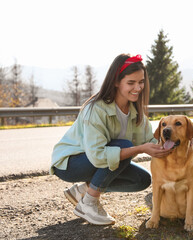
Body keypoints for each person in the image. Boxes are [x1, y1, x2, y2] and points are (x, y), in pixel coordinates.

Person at [50, 54, 172, 225]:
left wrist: (171, 144)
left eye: (141, 82)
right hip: (70, 164)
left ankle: (84, 190)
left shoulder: (135, 112)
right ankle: (88, 203)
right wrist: (139, 149)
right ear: (116, 81)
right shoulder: (95, 109)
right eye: (131, 83)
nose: (138, 87)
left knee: (142, 179)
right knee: (125, 147)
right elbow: (98, 156)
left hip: (95, 162)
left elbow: (149, 141)